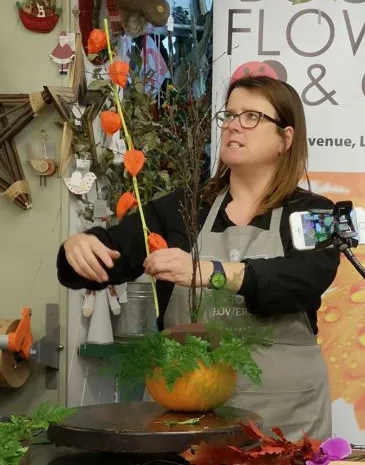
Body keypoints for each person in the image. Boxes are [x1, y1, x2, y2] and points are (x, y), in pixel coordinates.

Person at [57, 74, 340, 441]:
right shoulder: (181, 207)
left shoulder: (315, 211)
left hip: (288, 416)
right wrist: (79, 247)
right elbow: (98, 262)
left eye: (253, 117)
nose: (235, 125)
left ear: (286, 138)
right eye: (231, 115)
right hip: (189, 416)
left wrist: (210, 272)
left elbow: (305, 278)